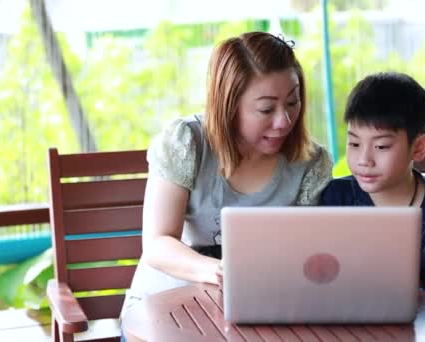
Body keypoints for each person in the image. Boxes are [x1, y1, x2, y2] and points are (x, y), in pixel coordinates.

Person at [120, 31, 333, 321]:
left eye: (293, 102)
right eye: (266, 108)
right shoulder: (186, 143)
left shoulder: (309, 162)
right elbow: (158, 244)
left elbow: (304, 253)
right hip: (167, 309)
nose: (284, 121)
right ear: (229, 106)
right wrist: (219, 271)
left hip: (259, 312)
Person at [320, 72, 425, 341]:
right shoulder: (336, 198)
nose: (363, 160)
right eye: (354, 143)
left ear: (418, 147)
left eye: (381, 146)